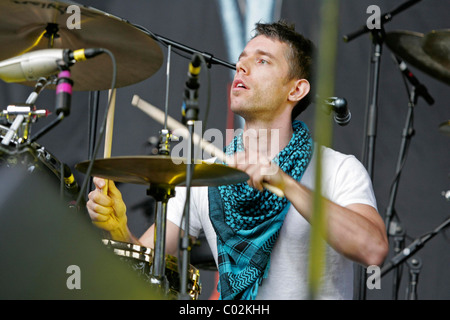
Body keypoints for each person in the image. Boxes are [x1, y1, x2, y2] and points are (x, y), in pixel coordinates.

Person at [87, 21, 388, 300]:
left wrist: (287, 184)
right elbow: (146, 269)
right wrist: (119, 230)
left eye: (262, 60)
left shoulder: (337, 169)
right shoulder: (206, 176)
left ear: (296, 89)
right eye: (242, 58)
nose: (241, 66)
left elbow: (373, 249)